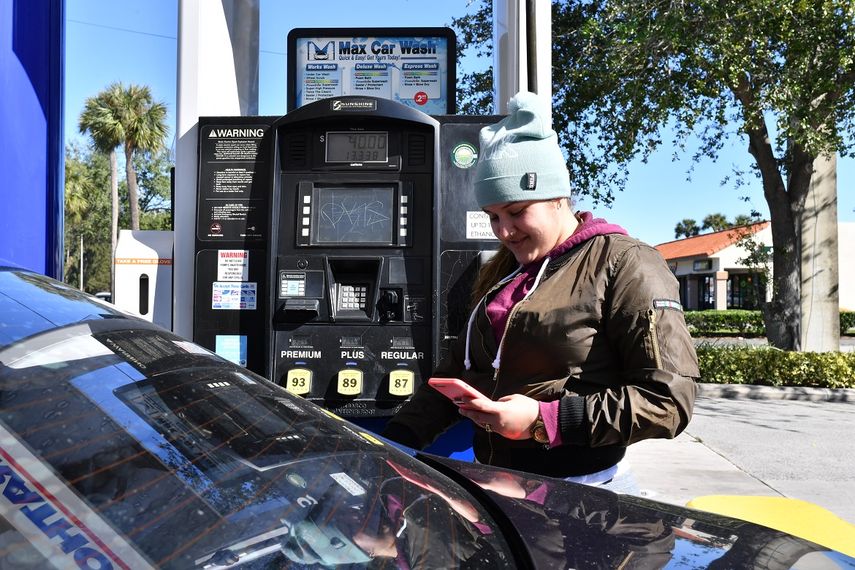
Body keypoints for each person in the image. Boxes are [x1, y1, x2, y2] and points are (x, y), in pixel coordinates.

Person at [382, 91, 699, 487]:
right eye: (493, 217)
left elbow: (668, 402)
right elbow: (459, 376)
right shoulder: (506, 273)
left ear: (558, 198)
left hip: (583, 492)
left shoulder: (626, 262)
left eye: (516, 212)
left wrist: (543, 421)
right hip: (499, 486)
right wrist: (392, 443)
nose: (504, 231)